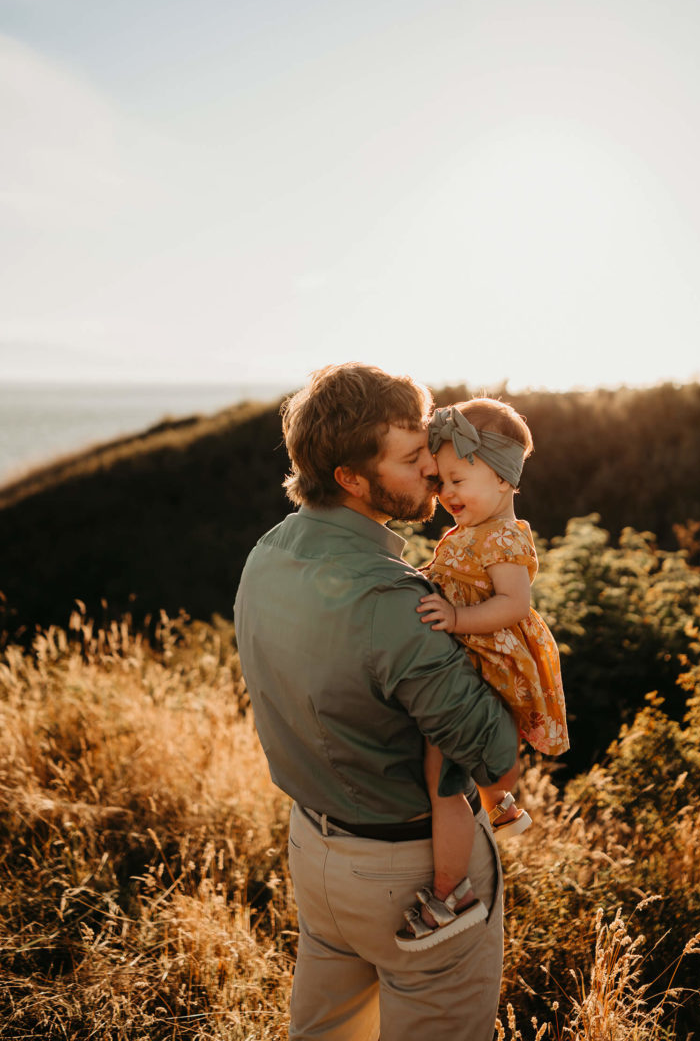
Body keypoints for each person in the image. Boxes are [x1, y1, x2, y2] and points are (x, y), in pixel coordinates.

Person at [233, 364, 519, 1041]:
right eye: (413, 458)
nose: (433, 470)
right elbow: (495, 756)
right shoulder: (395, 603)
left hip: (314, 850)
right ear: (352, 481)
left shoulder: (265, 555)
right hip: (407, 869)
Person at [398, 399, 568, 949]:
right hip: (474, 665)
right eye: (440, 480)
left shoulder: (503, 537)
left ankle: (451, 895)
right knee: (448, 770)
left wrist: (455, 618)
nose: (444, 493)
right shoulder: (474, 529)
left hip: (488, 666)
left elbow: (514, 605)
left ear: (502, 477)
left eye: (457, 478)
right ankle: (500, 803)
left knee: (442, 783)